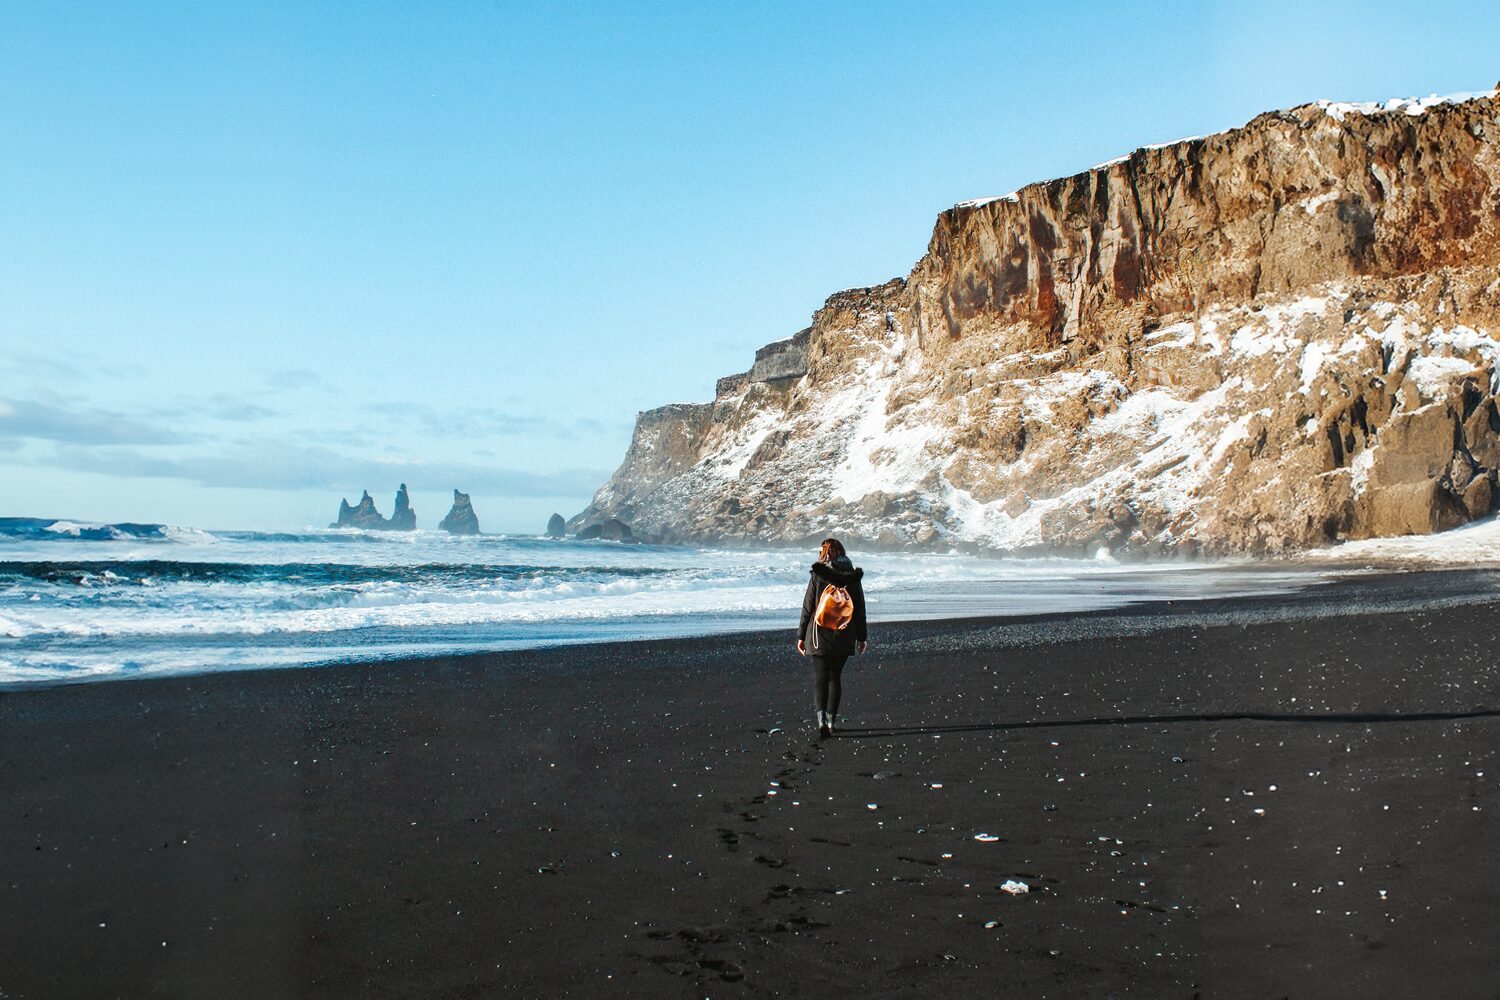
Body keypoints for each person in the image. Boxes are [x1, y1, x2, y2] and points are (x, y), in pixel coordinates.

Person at [796, 538, 868, 738]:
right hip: (844, 634)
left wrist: (801, 636)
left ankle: (821, 722)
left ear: (826, 552)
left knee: (821, 677)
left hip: (818, 634)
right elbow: (860, 609)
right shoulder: (853, 577)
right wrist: (862, 637)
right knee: (835, 677)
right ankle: (831, 722)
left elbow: (808, 607)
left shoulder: (818, 575)